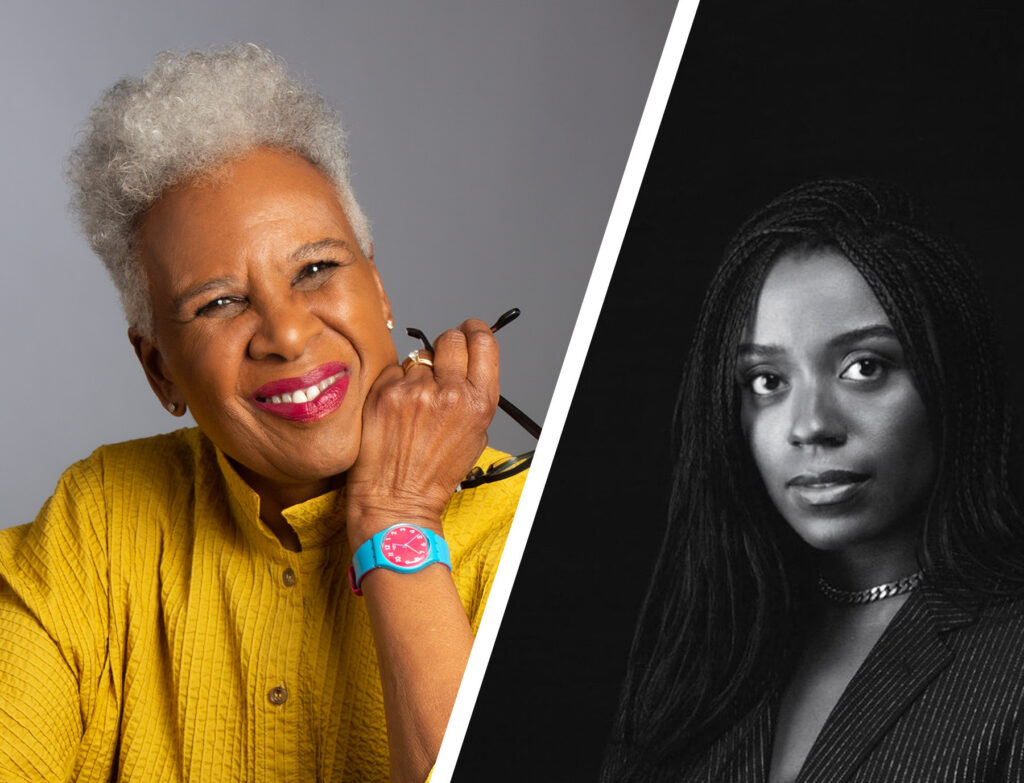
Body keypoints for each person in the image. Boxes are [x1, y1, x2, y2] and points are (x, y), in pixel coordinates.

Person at [0, 44, 530, 783]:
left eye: (316, 269)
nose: (286, 333)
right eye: (217, 302)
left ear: (377, 291)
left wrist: (398, 521)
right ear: (160, 369)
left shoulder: (533, 532)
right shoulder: (98, 524)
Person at [602, 179, 1024, 782]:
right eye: (768, 380)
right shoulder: (704, 661)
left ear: (952, 377)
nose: (811, 426)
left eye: (864, 367)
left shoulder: (1010, 656)